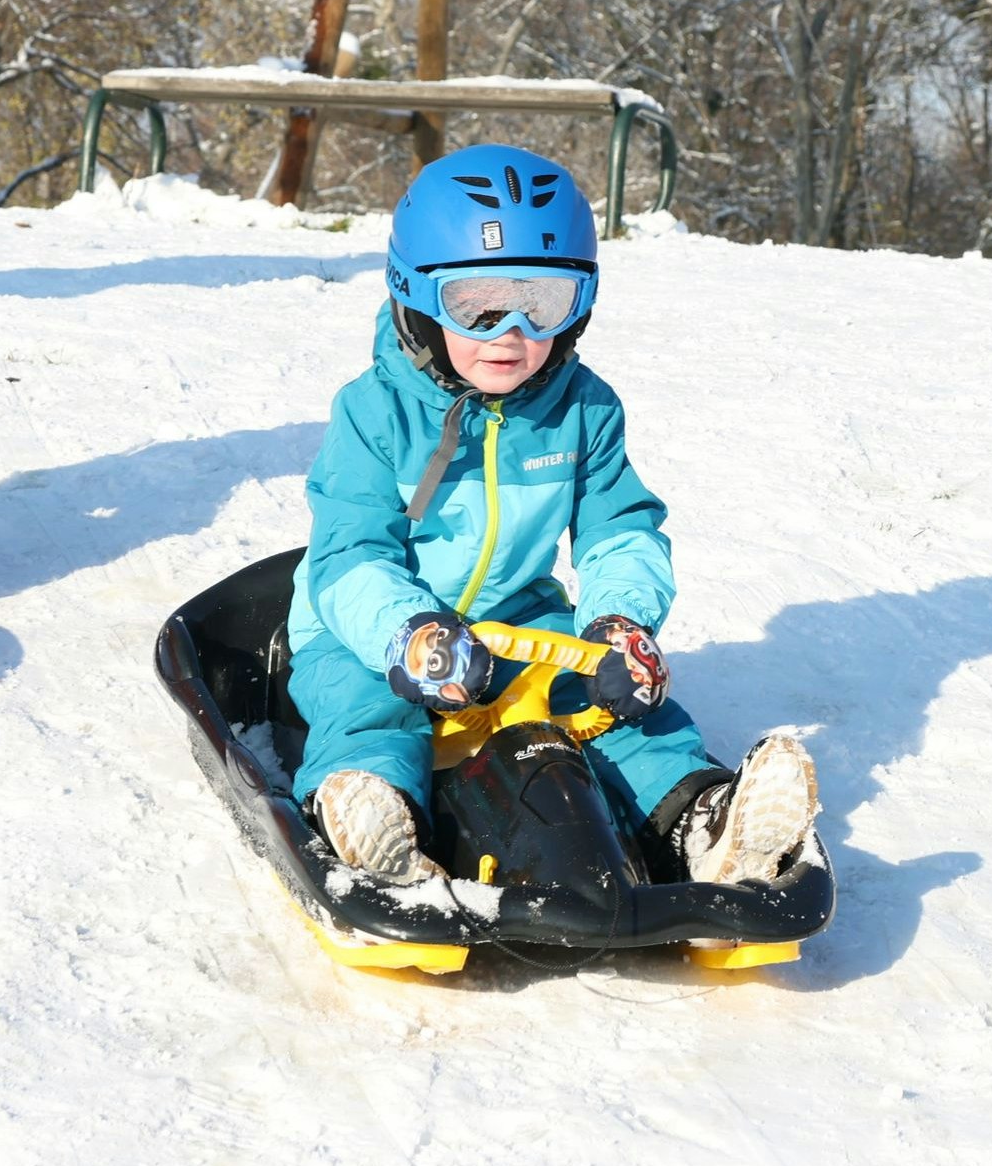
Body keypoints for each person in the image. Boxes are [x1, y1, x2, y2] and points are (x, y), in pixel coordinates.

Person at [285, 145, 817, 890]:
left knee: (625, 712)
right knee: (366, 711)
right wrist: (405, 632)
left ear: (580, 305)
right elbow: (350, 553)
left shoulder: (583, 407)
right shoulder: (375, 412)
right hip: (367, 635)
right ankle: (380, 823)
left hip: (517, 624)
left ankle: (705, 820)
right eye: (478, 303)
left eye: (543, 301)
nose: (511, 331)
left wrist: (619, 623)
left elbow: (619, 528)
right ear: (417, 296)